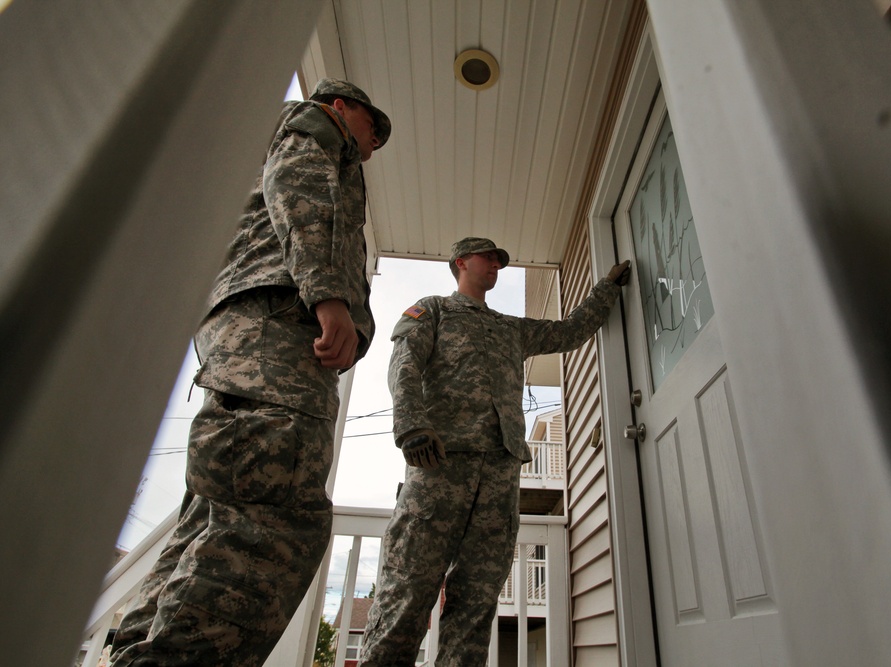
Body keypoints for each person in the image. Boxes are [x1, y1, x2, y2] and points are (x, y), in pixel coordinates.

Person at [109, 79, 391, 667]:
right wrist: (329, 294)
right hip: (280, 325)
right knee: (274, 517)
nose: (371, 145)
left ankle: (140, 649)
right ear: (341, 108)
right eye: (371, 128)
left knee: (223, 508)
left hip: (255, 334)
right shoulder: (316, 126)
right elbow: (298, 187)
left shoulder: (282, 139)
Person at [359, 237, 631, 666]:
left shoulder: (510, 328)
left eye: (500, 261)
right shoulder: (433, 310)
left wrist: (606, 291)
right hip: (440, 466)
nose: (496, 266)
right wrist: (410, 424)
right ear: (461, 262)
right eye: (488, 258)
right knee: (408, 589)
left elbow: (568, 331)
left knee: (479, 597)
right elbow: (404, 363)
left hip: (499, 476)